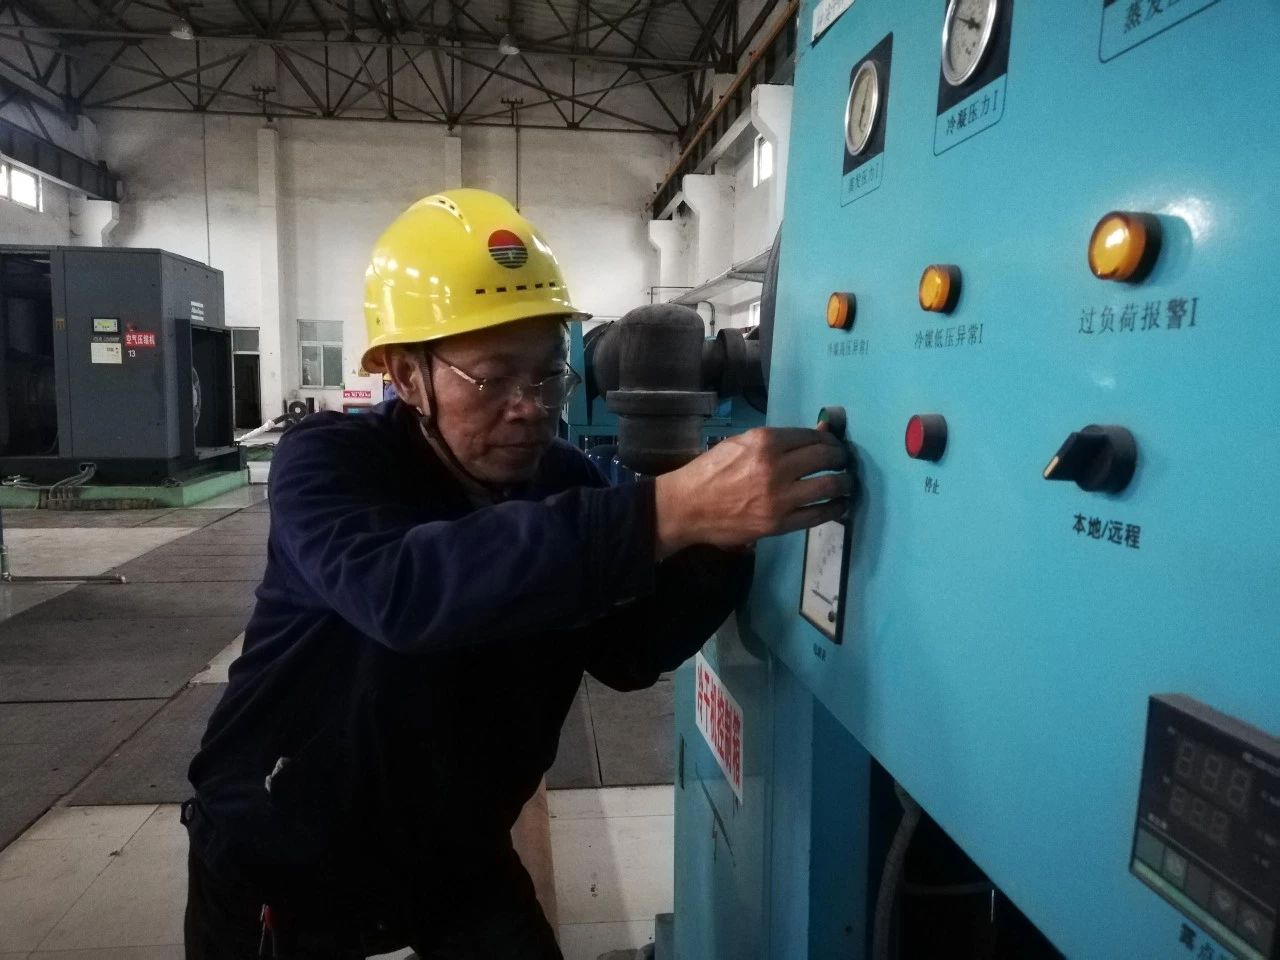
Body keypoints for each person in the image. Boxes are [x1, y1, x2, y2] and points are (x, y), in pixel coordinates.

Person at [183, 189, 849, 958]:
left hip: (455, 847)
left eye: (547, 377)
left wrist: (723, 542)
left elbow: (629, 650)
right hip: (284, 848)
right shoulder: (328, 463)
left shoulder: (563, 479)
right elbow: (403, 593)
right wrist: (667, 509)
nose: (531, 407)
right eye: (494, 378)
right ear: (406, 375)